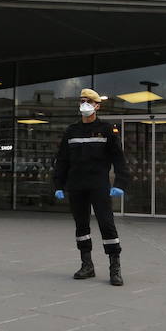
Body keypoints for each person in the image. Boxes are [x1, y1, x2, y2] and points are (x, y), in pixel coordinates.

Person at [53, 89, 130, 285]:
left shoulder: (106, 129)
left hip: (99, 185)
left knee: (106, 224)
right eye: (81, 101)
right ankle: (87, 265)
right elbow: (62, 160)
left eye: (88, 101)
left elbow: (118, 158)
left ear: (97, 105)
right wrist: (58, 184)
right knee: (81, 226)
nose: (84, 104)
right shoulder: (71, 131)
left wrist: (120, 182)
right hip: (76, 185)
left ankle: (115, 268)